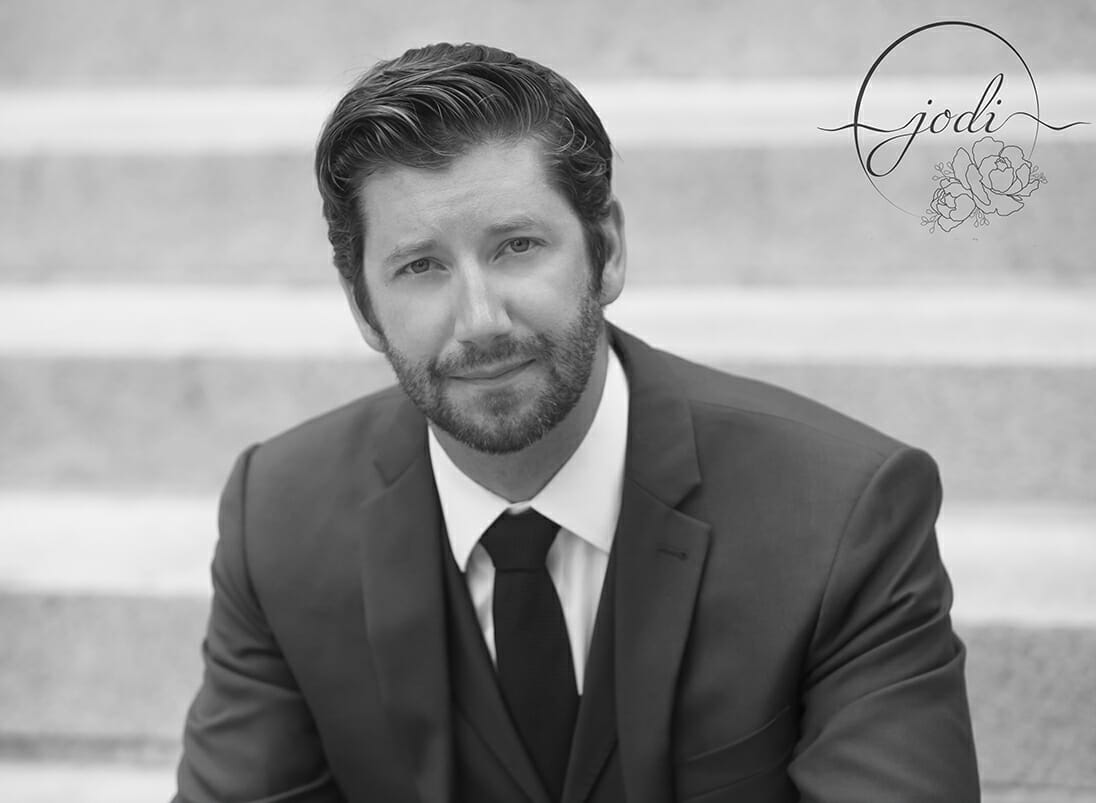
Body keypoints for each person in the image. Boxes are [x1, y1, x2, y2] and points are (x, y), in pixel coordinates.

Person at [174, 42, 979, 803]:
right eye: (420, 266)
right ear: (362, 307)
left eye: (517, 246)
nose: (480, 320)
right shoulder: (277, 516)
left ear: (608, 250)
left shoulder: (843, 512)